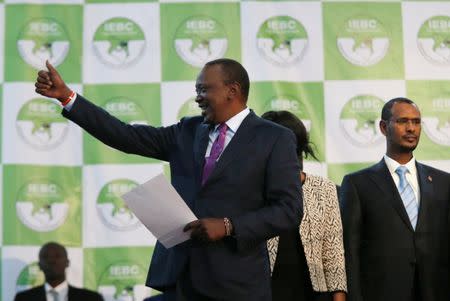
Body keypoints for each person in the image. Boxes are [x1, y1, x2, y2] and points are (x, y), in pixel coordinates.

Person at [35, 59, 302, 301]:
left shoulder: (274, 138)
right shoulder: (188, 130)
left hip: (237, 283)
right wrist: (68, 98)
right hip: (181, 280)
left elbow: (289, 211)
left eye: (203, 89)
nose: (197, 98)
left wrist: (229, 226)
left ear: (232, 90)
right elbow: (125, 136)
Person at [341, 97, 450, 301]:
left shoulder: (443, 183)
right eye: (402, 121)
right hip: (381, 292)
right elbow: (350, 253)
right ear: (383, 127)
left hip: (435, 291)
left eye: (416, 122)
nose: (411, 128)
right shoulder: (357, 184)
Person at [263, 111, 347, 301]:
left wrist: (339, 297)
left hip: (314, 293)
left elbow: (333, 251)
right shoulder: (251, 189)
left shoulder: (323, 188)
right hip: (264, 291)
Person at [14, 242, 104, 301]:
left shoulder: (91, 298)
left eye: (57, 256)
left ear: (67, 262)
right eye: (46, 257)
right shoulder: (23, 299)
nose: (52, 261)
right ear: (39, 266)